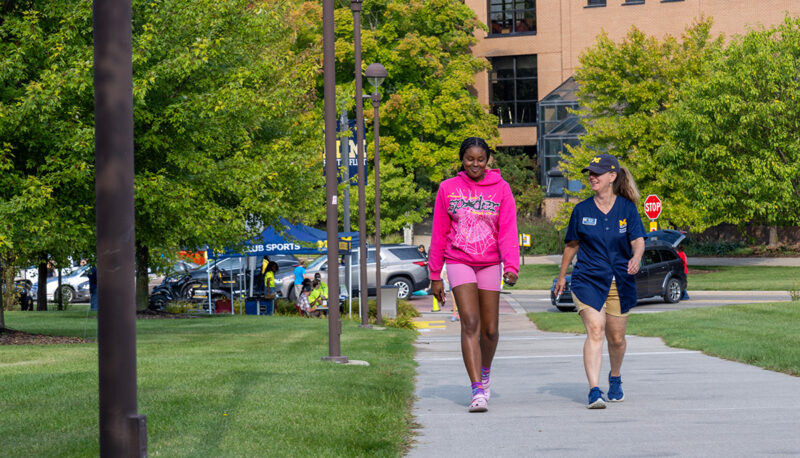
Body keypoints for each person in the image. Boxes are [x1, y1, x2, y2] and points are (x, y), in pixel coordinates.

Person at [429, 136, 519, 413]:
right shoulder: (448, 188)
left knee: (490, 330)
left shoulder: (502, 189)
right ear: (462, 159)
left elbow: (507, 230)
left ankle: (486, 370)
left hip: (490, 262)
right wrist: (435, 275)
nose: (475, 164)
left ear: (488, 160)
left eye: (481, 159)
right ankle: (477, 389)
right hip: (458, 260)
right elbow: (439, 231)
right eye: (470, 159)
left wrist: (511, 266)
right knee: (470, 321)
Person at [554, 153, 645, 409]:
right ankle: (594, 390)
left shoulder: (627, 208)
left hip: (620, 280)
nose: (592, 177)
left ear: (612, 177)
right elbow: (572, 246)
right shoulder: (581, 210)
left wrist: (636, 257)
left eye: (597, 173)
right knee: (595, 329)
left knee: (616, 338)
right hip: (588, 279)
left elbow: (638, 239)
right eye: (590, 173)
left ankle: (614, 378)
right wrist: (562, 276)